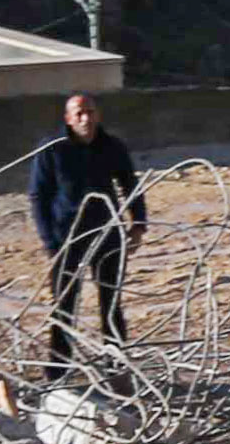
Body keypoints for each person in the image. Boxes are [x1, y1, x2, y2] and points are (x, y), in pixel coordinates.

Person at [27, 91, 144, 368]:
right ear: (68, 118)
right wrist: (50, 242)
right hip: (67, 239)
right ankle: (59, 370)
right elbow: (38, 196)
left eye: (90, 112)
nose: (85, 119)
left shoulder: (112, 146)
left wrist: (138, 224)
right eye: (78, 113)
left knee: (111, 304)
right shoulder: (52, 149)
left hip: (107, 235)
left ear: (97, 115)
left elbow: (130, 185)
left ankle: (116, 366)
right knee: (64, 305)